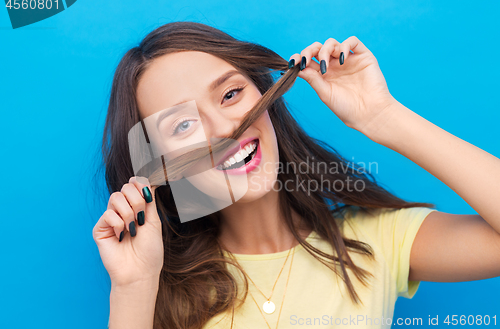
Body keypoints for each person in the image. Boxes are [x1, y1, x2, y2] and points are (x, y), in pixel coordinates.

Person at [92, 21, 500, 329]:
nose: (223, 129)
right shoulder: (153, 285)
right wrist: (133, 289)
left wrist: (382, 116)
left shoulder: (374, 241)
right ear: (159, 165)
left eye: (231, 94)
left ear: (265, 96)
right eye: (182, 126)